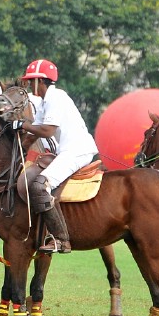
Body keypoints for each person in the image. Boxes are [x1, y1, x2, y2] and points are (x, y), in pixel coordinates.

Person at [12, 59, 98, 254]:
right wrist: (19, 148)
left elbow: (48, 130)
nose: (29, 84)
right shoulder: (44, 102)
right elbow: (35, 132)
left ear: (41, 81)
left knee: (39, 185)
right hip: (66, 151)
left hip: (77, 151)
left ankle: (61, 239)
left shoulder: (56, 97)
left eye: (31, 80)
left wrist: (22, 125)